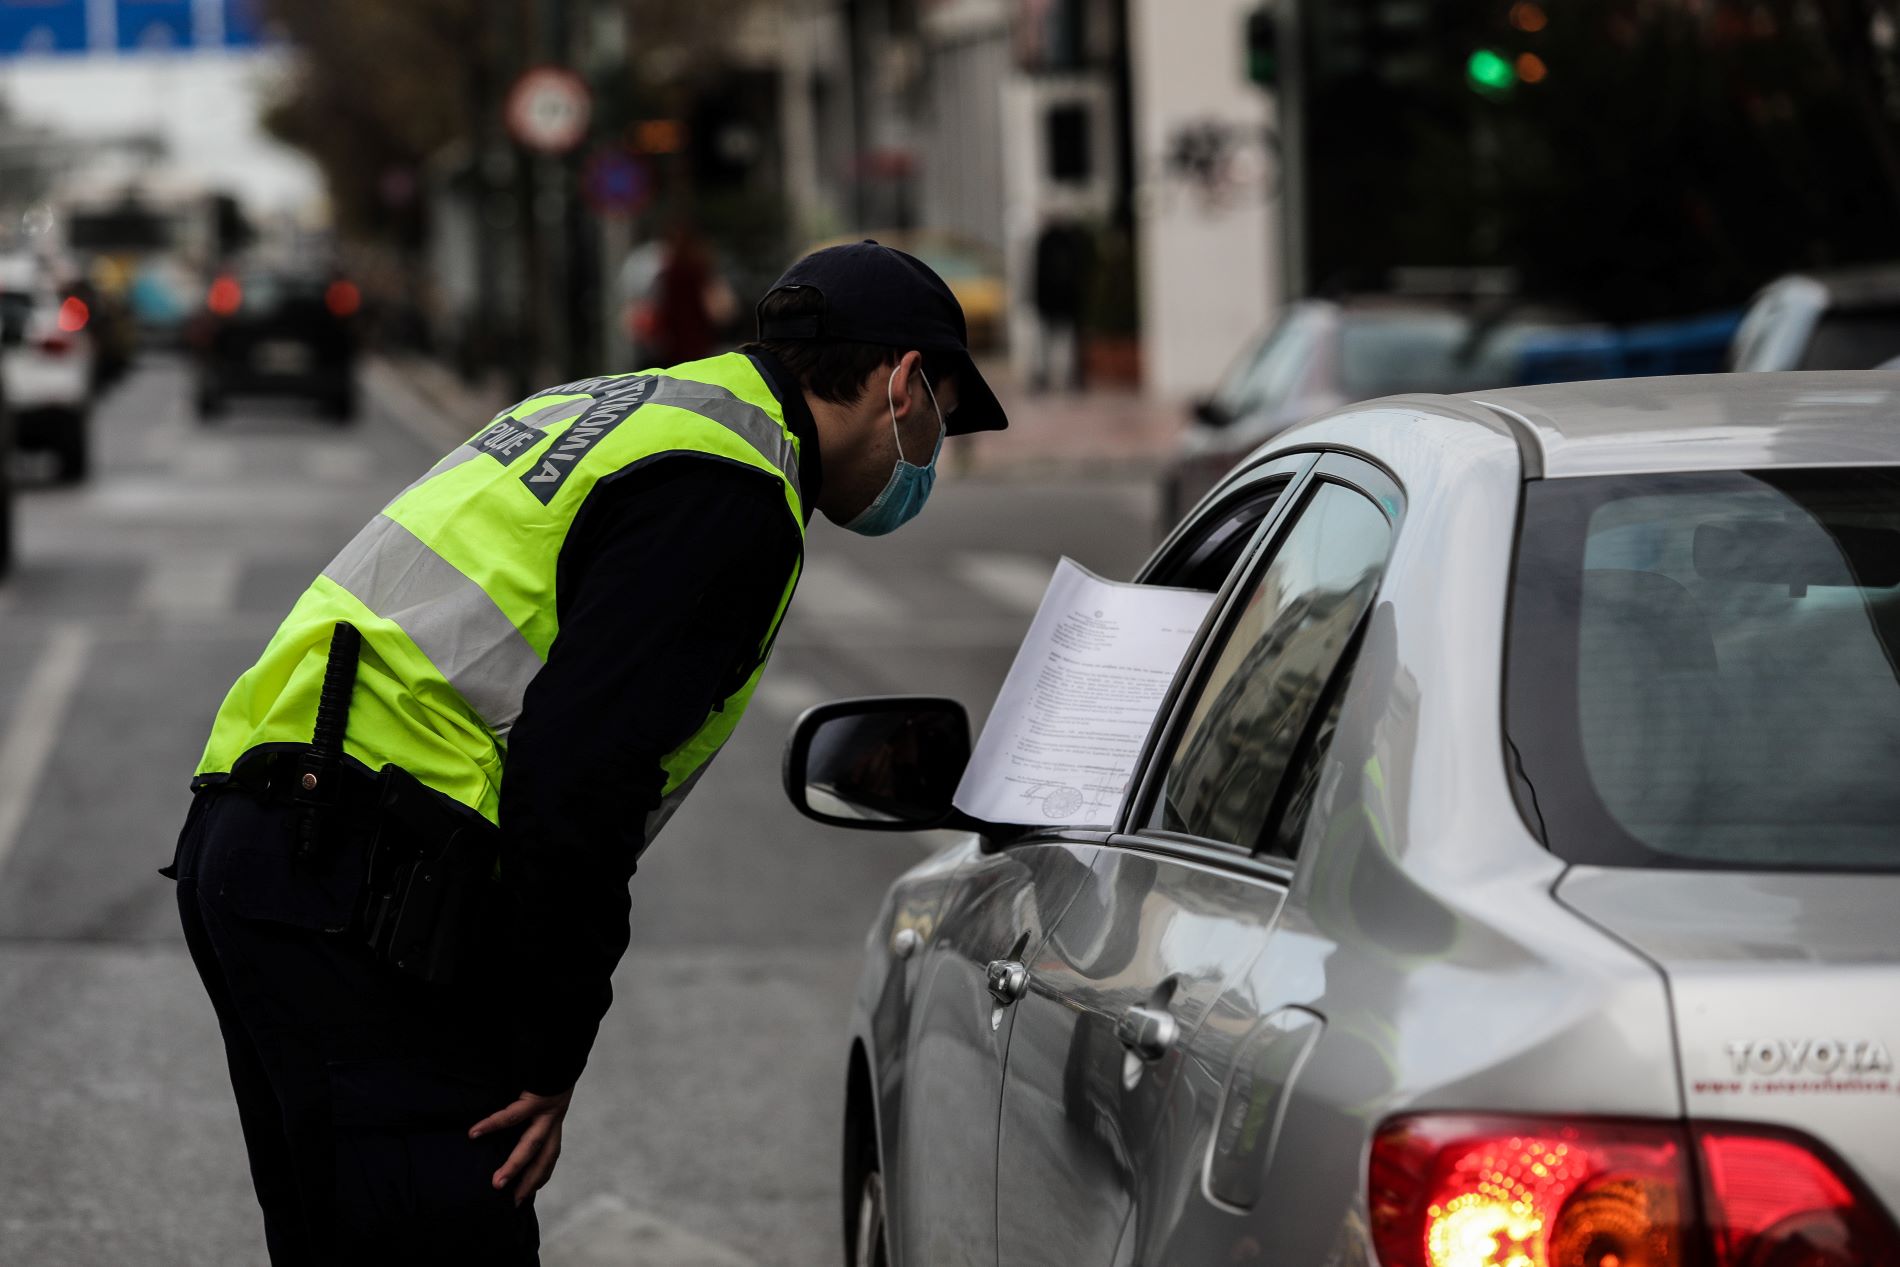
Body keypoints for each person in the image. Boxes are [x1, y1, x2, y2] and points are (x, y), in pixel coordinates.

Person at [166, 241, 1007, 1266]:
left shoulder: (631, 405)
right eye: (943, 423)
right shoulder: (733, 490)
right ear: (903, 382)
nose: (931, 456)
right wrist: (548, 1050)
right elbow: (578, 780)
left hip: (262, 838)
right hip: (359, 877)